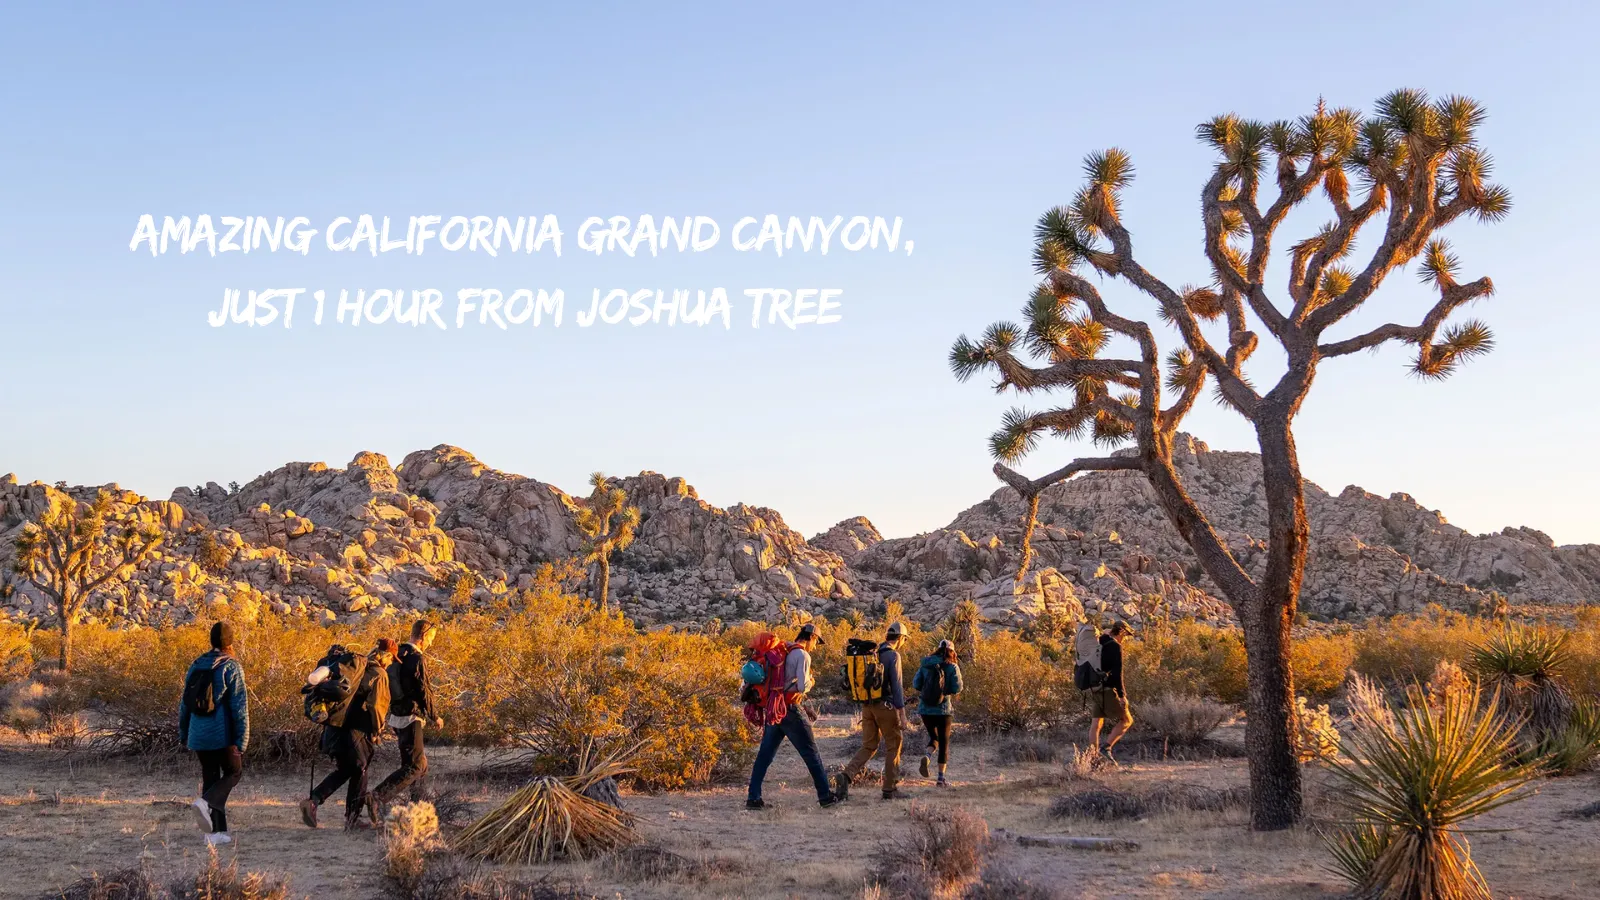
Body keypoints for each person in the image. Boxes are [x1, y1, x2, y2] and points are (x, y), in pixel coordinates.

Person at [746, 622, 844, 810]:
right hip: (790, 710)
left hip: (775, 708)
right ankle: (825, 796)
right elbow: (800, 686)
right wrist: (812, 682)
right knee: (811, 753)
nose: (815, 647)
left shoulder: (784, 649)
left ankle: (753, 798)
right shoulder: (802, 655)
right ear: (812, 638)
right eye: (817, 642)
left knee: (764, 755)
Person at [300, 639, 395, 829]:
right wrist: (377, 730)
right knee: (361, 769)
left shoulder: (352, 669)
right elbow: (377, 706)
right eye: (392, 659)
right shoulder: (379, 673)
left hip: (333, 728)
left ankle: (314, 801)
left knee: (345, 769)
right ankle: (353, 819)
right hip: (356, 732)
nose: (392, 664)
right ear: (387, 656)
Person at [179, 622, 250, 846]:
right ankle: (206, 802)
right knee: (233, 773)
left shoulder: (196, 665)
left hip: (198, 734)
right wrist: (242, 740)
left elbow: (184, 704)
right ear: (230, 641)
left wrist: (184, 733)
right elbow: (240, 707)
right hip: (223, 735)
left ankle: (215, 834)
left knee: (211, 777)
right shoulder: (231, 666)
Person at [373, 619, 442, 808]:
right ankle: (378, 796)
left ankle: (417, 807)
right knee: (416, 766)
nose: (431, 643)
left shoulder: (398, 653)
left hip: (396, 716)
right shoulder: (416, 658)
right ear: (424, 636)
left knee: (418, 765)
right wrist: (434, 715)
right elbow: (423, 690)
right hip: (412, 717)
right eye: (431, 638)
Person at [837, 621, 909, 800]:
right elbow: (897, 686)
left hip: (867, 706)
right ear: (900, 638)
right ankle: (889, 789)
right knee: (893, 745)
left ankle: (846, 776)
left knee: (869, 745)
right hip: (885, 707)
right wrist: (902, 714)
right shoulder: (893, 656)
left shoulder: (873, 654)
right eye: (905, 640)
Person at [913, 639, 963, 786]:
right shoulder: (952, 667)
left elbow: (916, 684)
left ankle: (927, 756)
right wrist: (945, 690)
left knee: (934, 737)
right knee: (944, 743)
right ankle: (941, 779)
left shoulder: (925, 664)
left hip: (925, 709)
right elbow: (957, 688)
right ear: (952, 652)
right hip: (943, 710)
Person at [1090, 621, 1134, 761]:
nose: (1125, 638)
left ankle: (1093, 757)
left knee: (1096, 724)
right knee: (1127, 720)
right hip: (1108, 688)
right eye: (1126, 635)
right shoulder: (1115, 646)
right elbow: (1117, 673)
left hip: (1094, 686)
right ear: (1121, 632)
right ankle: (1106, 748)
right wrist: (1122, 696)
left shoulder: (1100, 641)